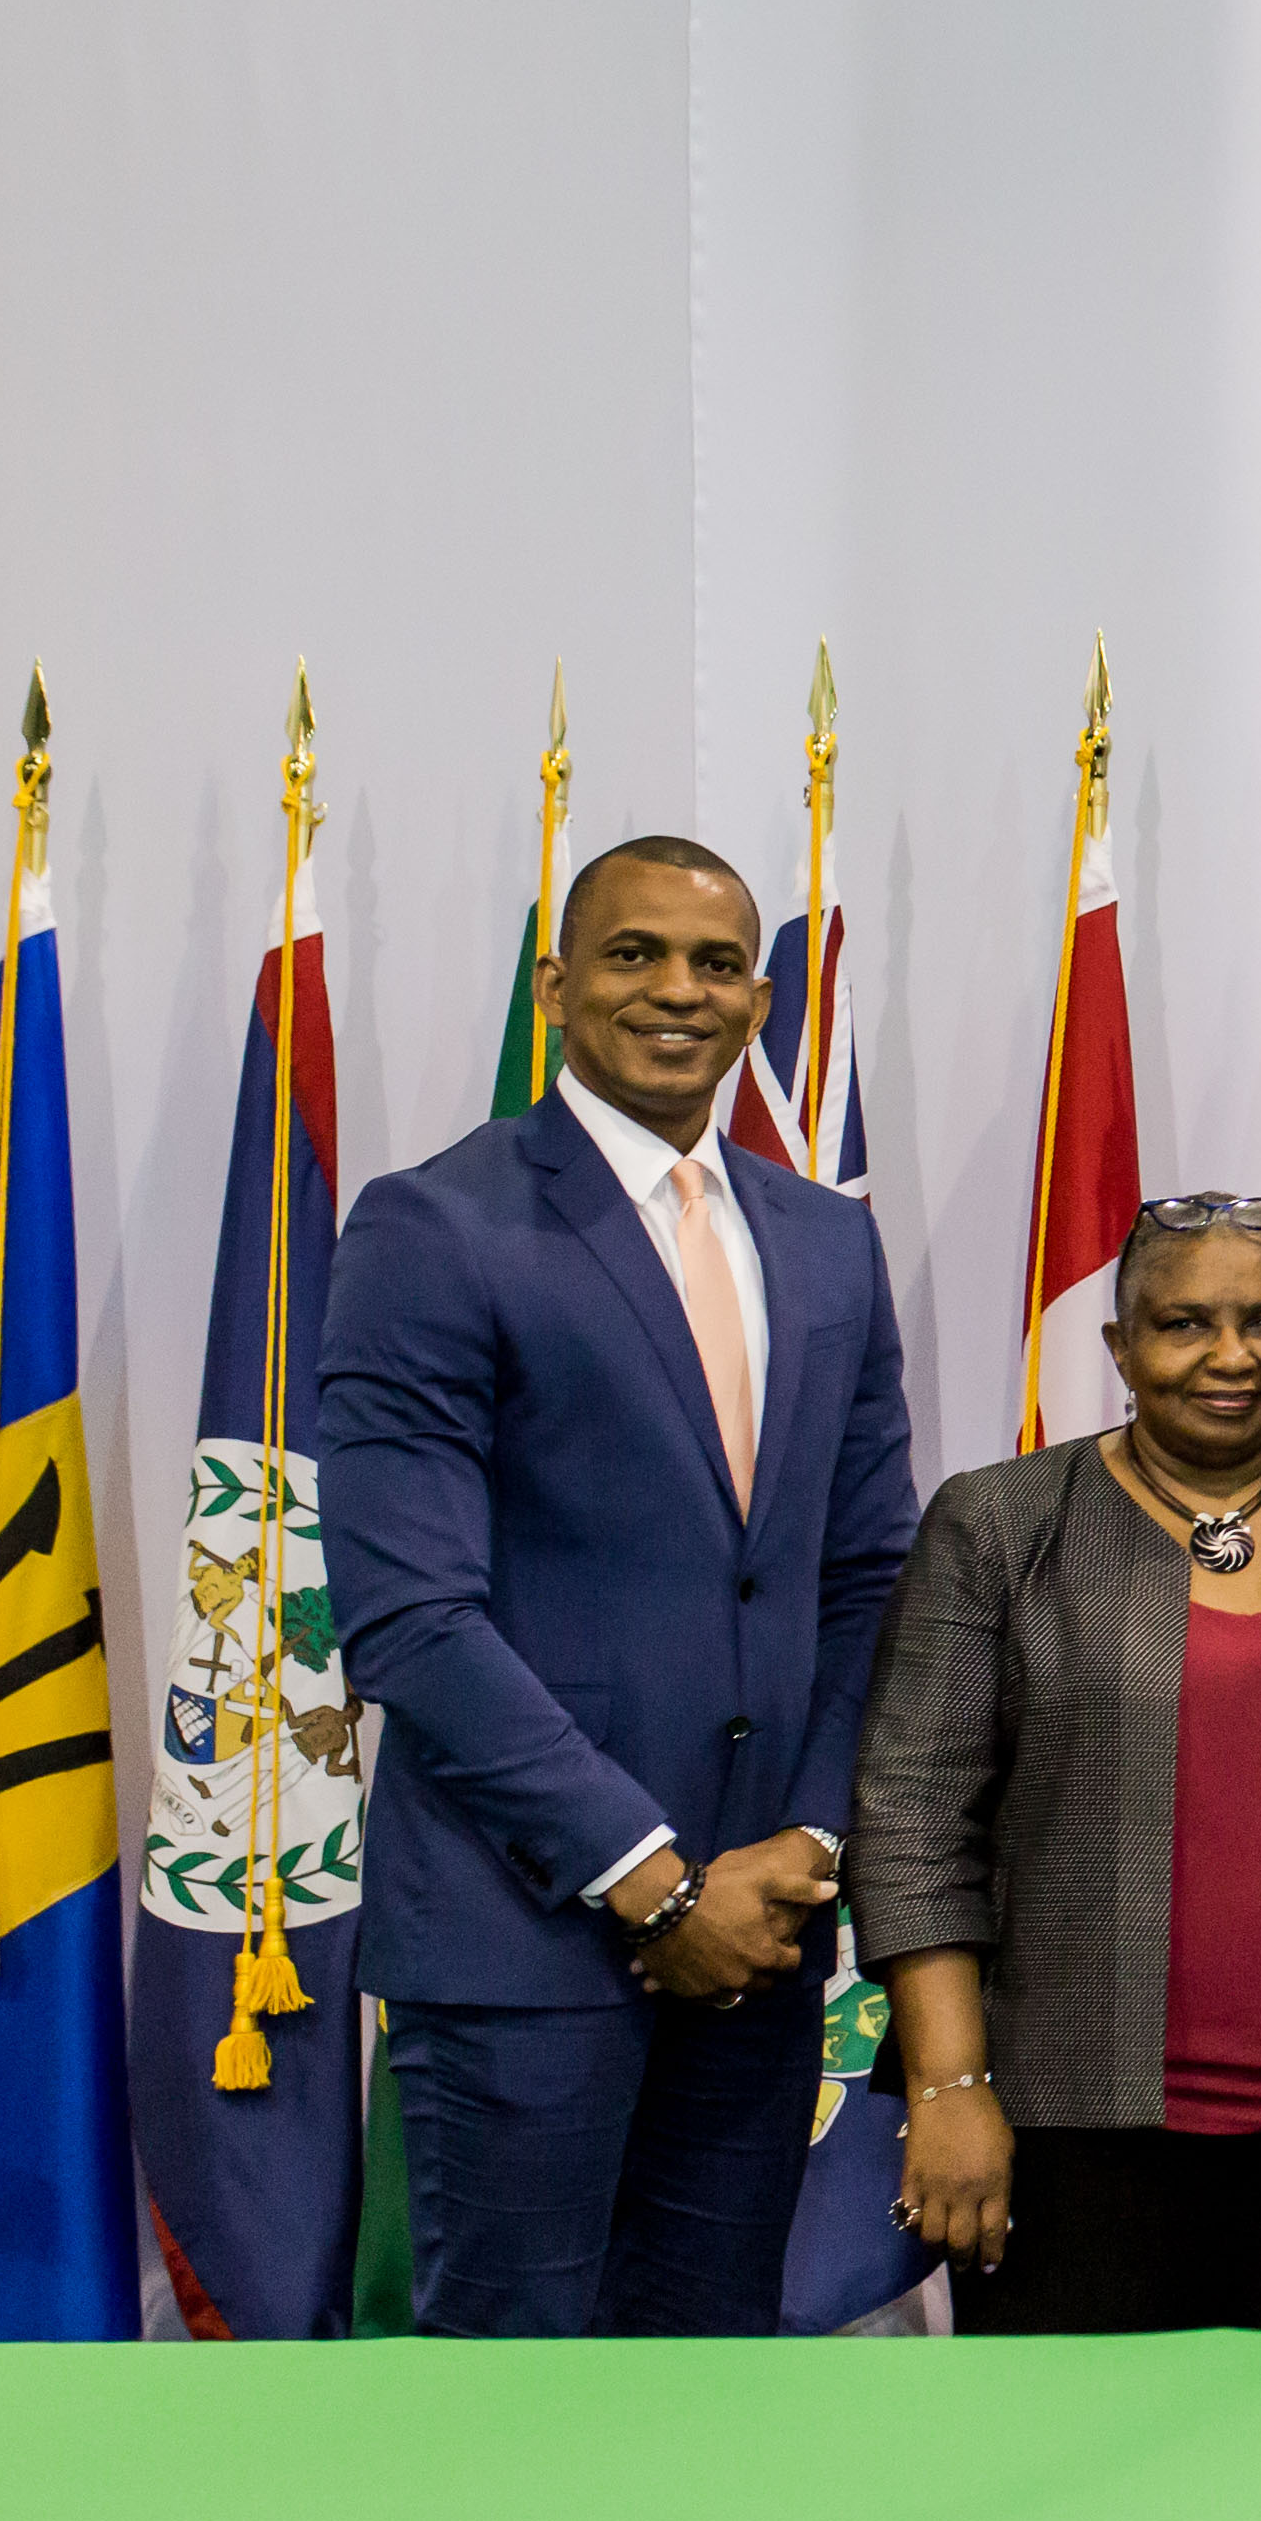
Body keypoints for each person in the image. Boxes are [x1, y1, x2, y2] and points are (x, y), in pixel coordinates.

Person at [316, 835, 922, 2335]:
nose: (676, 990)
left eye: (715, 963)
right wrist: (651, 1881)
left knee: (706, 2408)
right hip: (523, 1942)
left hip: (762, 1944)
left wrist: (803, 1841)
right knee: (513, 2431)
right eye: (634, 953)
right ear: (557, 985)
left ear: (760, 998)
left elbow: (869, 1578)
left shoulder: (826, 1241)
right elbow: (409, 1616)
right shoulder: (434, 1224)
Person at [848, 1196, 1261, 2330]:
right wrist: (950, 2086)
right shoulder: (1001, 1525)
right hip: (1068, 2131)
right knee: (1077, 2491)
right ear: (1119, 1346)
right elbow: (911, 1818)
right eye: (1185, 1323)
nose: (1231, 1356)